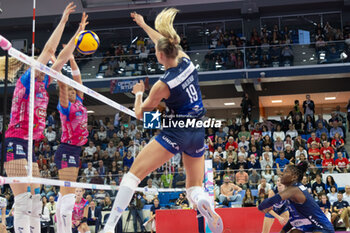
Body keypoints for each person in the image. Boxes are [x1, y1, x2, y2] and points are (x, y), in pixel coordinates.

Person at [102, 9, 223, 233]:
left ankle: (109, 227)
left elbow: (140, 114)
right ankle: (202, 201)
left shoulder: (162, 85)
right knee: (193, 187)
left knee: (132, 176)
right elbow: (163, 42)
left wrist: (138, 93)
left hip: (175, 130)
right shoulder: (187, 61)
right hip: (197, 129)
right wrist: (143, 25)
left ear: (159, 56)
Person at [1, 3, 84, 233]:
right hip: (15, 141)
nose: (48, 67)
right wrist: (64, 21)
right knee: (24, 200)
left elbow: (60, 59)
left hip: (30, 145)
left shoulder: (44, 81)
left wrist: (77, 35)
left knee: (36, 201)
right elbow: (48, 52)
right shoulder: (27, 80)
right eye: (43, 66)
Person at [55, 37, 90, 233]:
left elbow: (78, 80)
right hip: (67, 149)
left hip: (74, 150)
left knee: (64, 195)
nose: (70, 91)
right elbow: (62, 86)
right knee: (68, 196)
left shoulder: (79, 101)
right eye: (67, 90)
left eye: (71, 90)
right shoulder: (66, 107)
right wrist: (57, 61)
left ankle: (62, 229)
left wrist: (72, 59)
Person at [258, 162, 335, 232]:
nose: (282, 174)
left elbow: (268, 202)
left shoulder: (294, 190)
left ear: (294, 177)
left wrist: (261, 207)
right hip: (310, 226)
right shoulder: (294, 189)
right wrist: (283, 231)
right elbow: (293, 220)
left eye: (286, 172)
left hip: (323, 228)